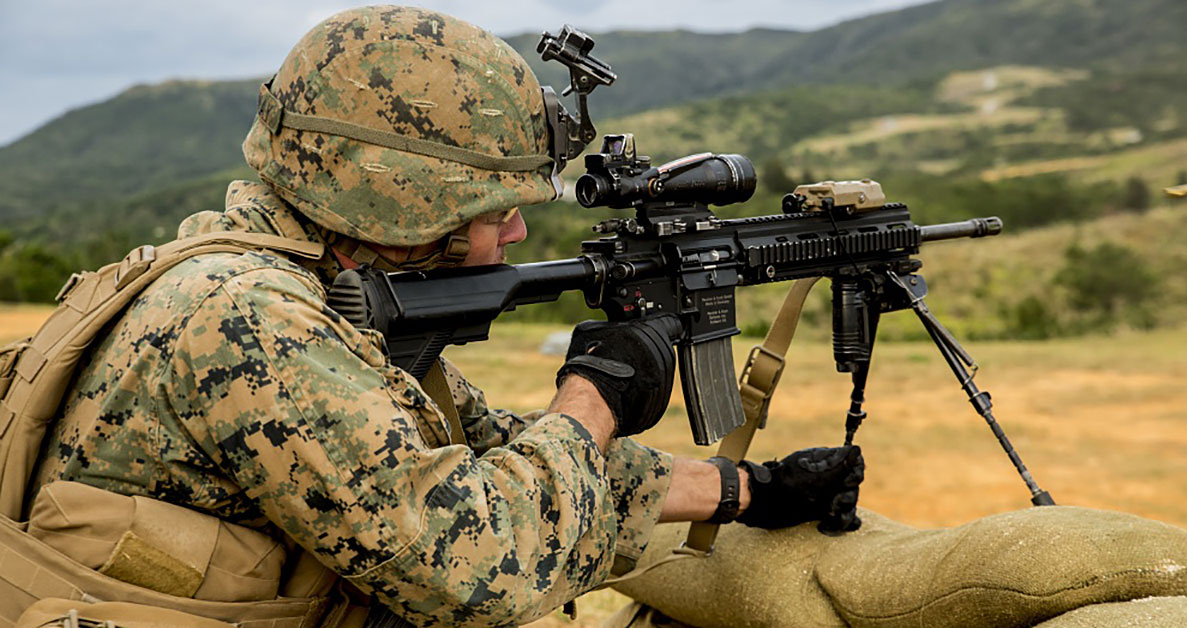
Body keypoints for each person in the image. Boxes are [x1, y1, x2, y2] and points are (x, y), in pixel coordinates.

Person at [24, 6, 863, 626]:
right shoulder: (250, 323)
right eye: (497, 208)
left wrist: (747, 488)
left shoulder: (292, 282)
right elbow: (474, 569)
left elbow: (467, 453)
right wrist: (594, 397)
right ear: (406, 201)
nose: (519, 231)